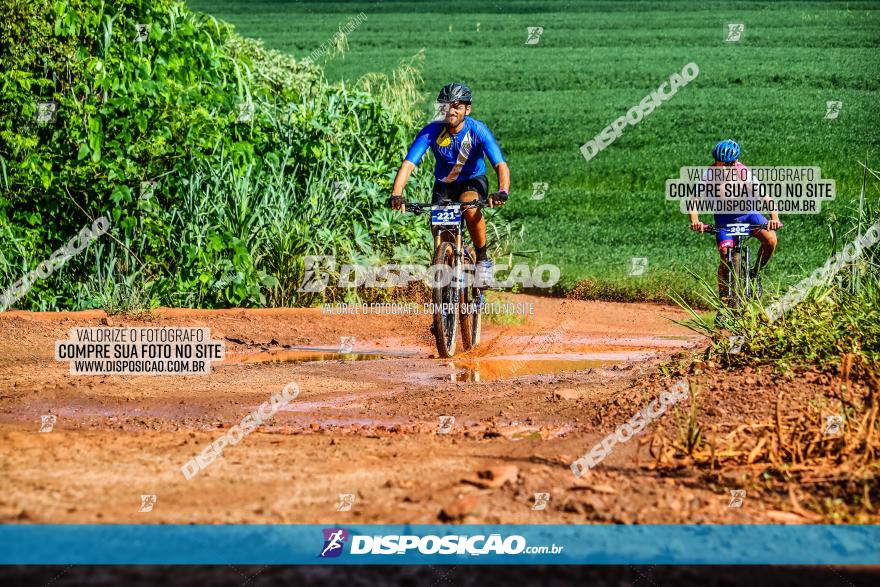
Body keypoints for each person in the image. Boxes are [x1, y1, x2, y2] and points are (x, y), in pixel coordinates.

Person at [389, 83, 510, 286]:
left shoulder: (477, 130)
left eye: (457, 106)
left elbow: (500, 165)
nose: (451, 111)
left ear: (467, 110)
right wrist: (396, 194)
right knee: (442, 234)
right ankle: (446, 294)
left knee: (468, 208)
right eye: (446, 106)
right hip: (444, 186)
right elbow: (408, 165)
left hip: (472, 181)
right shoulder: (431, 132)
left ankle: (482, 259)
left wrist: (502, 191)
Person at [690, 139, 782, 297]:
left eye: (731, 163)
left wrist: (774, 218)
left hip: (748, 215)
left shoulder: (743, 172)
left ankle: (754, 274)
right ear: (716, 162)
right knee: (725, 258)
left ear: (737, 161)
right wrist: (695, 221)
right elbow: (694, 200)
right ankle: (723, 301)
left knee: (771, 240)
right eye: (724, 164)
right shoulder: (708, 175)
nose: (728, 168)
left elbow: (765, 197)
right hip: (725, 219)